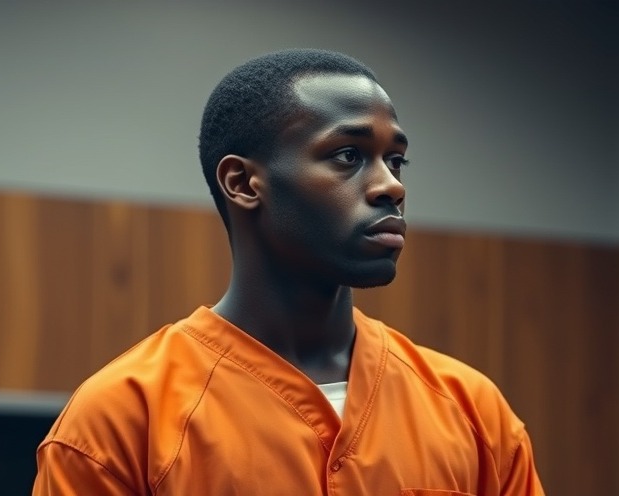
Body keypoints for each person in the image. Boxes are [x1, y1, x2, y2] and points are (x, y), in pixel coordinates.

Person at [33, 48, 544, 495]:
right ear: (243, 182)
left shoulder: (473, 410)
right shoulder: (121, 419)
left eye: (396, 160)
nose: (391, 186)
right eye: (349, 156)